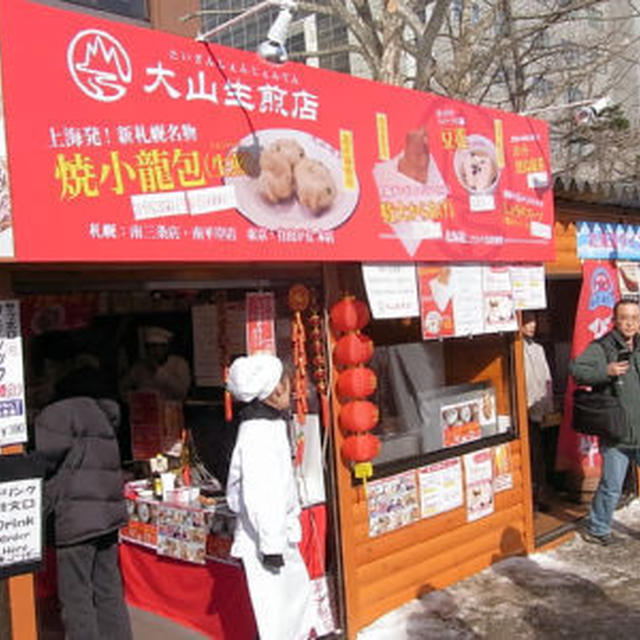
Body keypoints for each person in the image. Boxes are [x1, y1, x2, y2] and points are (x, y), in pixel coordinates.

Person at [36, 355, 132, 640]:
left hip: (75, 520)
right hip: (107, 518)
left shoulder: (58, 412)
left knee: (76, 598)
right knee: (109, 592)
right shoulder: (103, 412)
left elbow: (44, 457)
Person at [226, 354, 316, 640]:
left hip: (275, 536)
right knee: (278, 617)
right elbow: (262, 493)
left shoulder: (268, 426)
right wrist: (272, 544)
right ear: (275, 390)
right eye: (288, 384)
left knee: (289, 610)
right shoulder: (258, 434)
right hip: (267, 543)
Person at [570, 298, 640, 545]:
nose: (630, 323)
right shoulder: (603, 347)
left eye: (634, 318)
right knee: (612, 486)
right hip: (617, 432)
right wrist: (605, 371)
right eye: (624, 318)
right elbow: (576, 370)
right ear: (615, 320)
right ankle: (598, 528)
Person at [520, 311, 553, 511]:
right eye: (527, 321)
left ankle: (540, 494)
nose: (532, 325)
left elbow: (546, 378)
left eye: (533, 320)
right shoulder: (514, 348)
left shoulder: (538, 349)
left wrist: (547, 405)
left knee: (538, 454)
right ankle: (531, 497)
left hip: (537, 409)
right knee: (531, 455)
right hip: (523, 410)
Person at [121, 326, 191, 401]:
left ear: (166, 348)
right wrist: (133, 397)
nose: (155, 351)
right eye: (152, 347)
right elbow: (123, 387)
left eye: (159, 347)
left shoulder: (178, 364)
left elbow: (182, 392)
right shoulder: (139, 367)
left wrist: (158, 370)